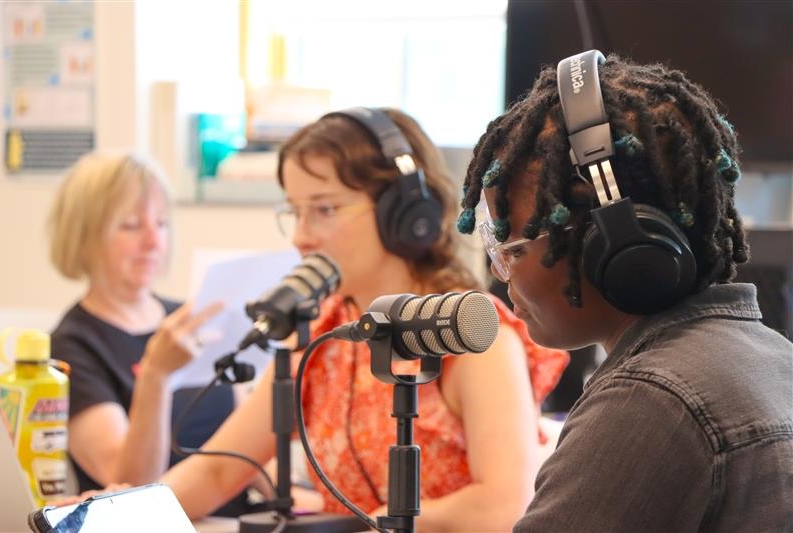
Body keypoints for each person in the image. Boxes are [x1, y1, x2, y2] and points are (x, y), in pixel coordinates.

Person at [160, 107, 569, 531]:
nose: (301, 236)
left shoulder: (470, 335)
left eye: (324, 209)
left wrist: (372, 524)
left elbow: (503, 507)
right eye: (294, 213)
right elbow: (217, 471)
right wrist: (117, 511)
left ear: (404, 215)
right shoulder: (318, 337)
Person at [457, 50, 793, 531]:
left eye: (512, 247)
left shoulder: (652, 398)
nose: (500, 272)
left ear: (615, 242)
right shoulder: (773, 356)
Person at [48, 153, 256, 516]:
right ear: (83, 238)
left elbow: (242, 446)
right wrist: (156, 375)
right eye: (130, 225)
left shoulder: (191, 318)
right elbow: (126, 487)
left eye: (160, 224)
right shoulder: (72, 346)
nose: (153, 241)